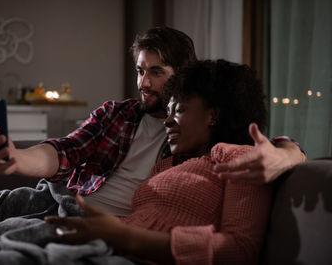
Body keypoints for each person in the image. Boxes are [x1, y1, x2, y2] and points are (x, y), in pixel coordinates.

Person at [0, 27, 304, 217]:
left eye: (156, 72)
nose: (143, 83)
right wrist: (16, 158)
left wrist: (287, 154)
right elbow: (66, 151)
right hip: (60, 198)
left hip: (105, 224)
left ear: (182, 75)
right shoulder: (118, 114)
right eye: (140, 70)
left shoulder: (196, 130)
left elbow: (261, 144)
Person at [45, 60, 273, 264]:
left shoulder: (239, 158)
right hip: (110, 247)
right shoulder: (166, 164)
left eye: (179, 110)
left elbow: (241, 250)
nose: (167, 121)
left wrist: (125, 237)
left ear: (213, 115)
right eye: (168, 111)